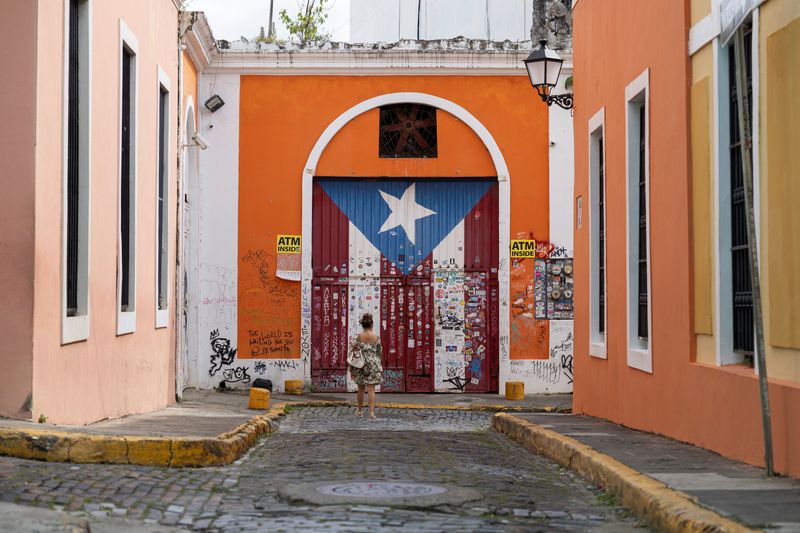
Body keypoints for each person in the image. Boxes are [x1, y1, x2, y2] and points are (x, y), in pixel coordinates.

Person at [348, 313, 383, 419]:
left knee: (361, 389)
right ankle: (371, 413)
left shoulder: (358, 337)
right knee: (371, 389)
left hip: (360, 365)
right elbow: (379, 352)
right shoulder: (376, 338)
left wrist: (351, 370)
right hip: (373, 365)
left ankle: (359, 411)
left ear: (362, 325)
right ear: (371, 325)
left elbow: (352, 352)